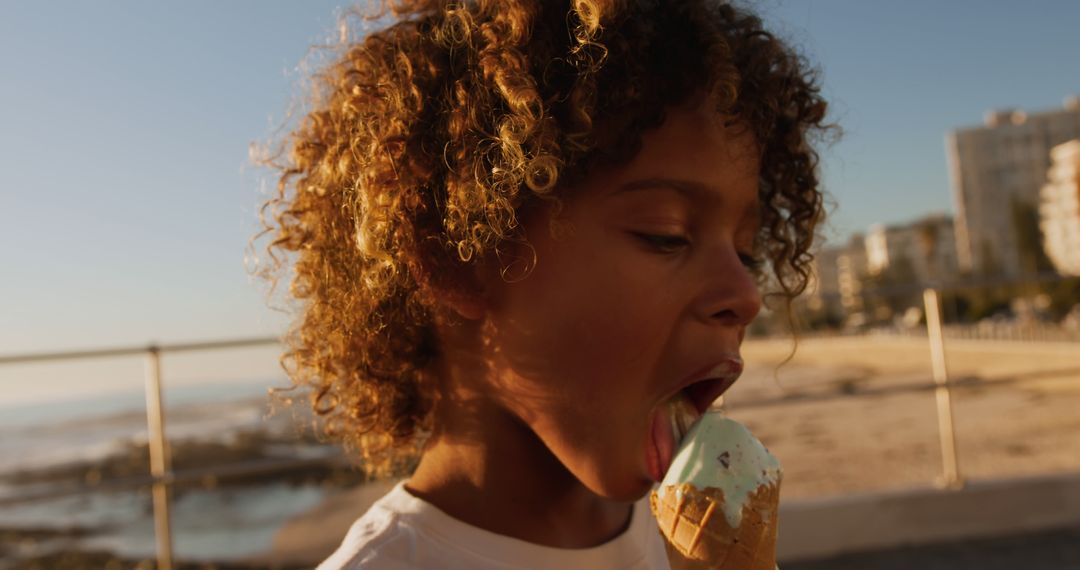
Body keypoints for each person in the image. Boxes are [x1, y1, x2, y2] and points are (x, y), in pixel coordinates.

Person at [256, 0, 829, 567]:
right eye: (666, 234)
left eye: (747, 253)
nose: (746, 296)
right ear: (458, 258)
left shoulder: (682, 535)